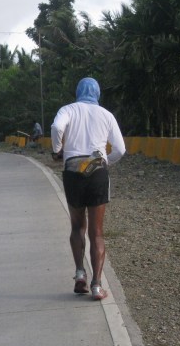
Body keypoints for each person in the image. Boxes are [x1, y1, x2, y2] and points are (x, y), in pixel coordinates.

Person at [51, 77, 125, 300]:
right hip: (97, 171)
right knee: (97, 232)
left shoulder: (68, 110)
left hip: (73, 170)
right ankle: (96, 286)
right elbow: (120, 149)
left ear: (78, 92)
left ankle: (80, 275)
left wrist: (57, 150)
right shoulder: (106, 115)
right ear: (97, 93)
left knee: (77, 227)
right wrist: (105, 161)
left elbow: (56, 127)